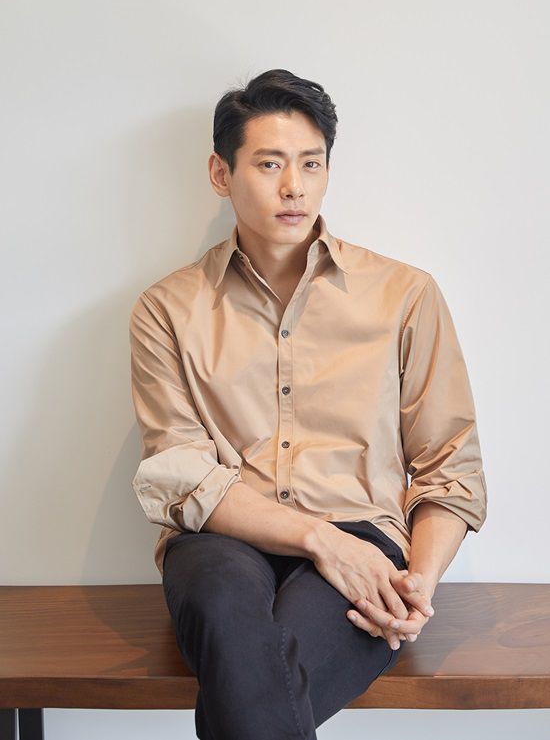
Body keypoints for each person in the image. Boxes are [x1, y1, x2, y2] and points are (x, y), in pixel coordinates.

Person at [129, 68, 488, 739]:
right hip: (222, 538)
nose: (294, 186)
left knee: (261, 672)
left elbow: (450, 468)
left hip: (365, 536)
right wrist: (318, 539)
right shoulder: (167, 310)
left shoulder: (405, 295)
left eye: (311, 163)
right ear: (221, 173)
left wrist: (418, 583)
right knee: (228, 616)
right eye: (270, 164)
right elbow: (181, 474)